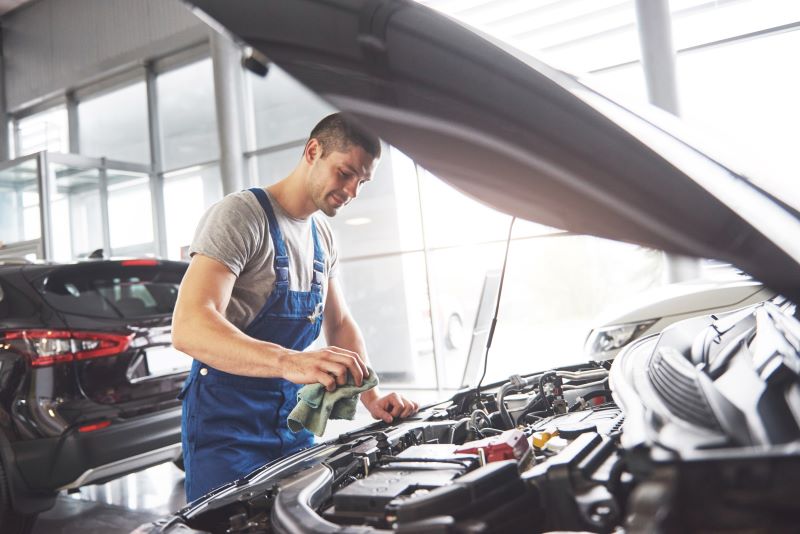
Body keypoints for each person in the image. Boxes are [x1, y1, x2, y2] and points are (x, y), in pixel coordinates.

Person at [172, 113, 419, 501]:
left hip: (291, 419)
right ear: (312, 151)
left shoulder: (322, 233)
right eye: (345, 173)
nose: (352, 191)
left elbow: (339, 323)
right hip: (226, 426)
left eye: (362, 181)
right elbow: (189, 325)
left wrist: (371, 396)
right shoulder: (241, 216)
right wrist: (291, 362)